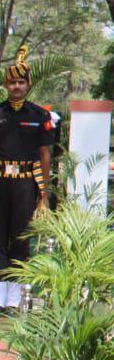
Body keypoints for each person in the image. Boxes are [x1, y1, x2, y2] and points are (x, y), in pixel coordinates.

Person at [0, 44, 53, 310]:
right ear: (6, 85)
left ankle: (14, 300)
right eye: (12, 82)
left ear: (28, 84)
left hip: (24, 184)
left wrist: (44, 192)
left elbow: (44, 155)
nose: (17, 87)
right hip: (0, 182)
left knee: (21, 239)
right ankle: (0, 299)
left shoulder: (39, 115)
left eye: (21, 82)